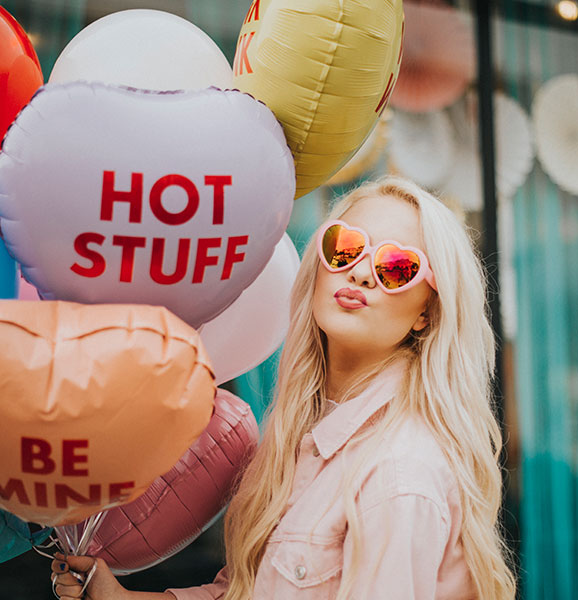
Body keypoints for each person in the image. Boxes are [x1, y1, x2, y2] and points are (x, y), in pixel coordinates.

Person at [51, 176, 516, 599]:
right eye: (345, 247)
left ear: (425, 314)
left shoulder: (397, 476)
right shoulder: (304, 437)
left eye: (396, 267)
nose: (359, 273)